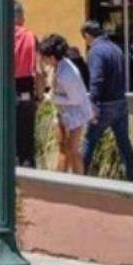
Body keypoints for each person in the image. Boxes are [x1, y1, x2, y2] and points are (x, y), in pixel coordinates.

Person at [0, 6, 39, 166]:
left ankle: (1, 188)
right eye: (23, 17)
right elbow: (38, 72)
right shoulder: (30, 37)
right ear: (17, 17)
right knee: (26, 149)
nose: (24, 21)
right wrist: (38, 96)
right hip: (24, 91)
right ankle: (28, 187)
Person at [83, 19, 133, 181]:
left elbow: (97, 79)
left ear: (87, 35)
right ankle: (132, 177)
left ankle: (79, 178)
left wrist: (93, 103)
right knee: (124, 143)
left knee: (89, 141)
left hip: (104, 104)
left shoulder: (96, 51)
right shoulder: (116, 48)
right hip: (120, 103)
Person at [42, 34, 91, 173]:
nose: (42, 60)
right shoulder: (59, 65)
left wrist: (52, 97)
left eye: (44, 57)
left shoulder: (67, 75)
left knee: (72, 150)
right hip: (62, 111)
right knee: (63, 147)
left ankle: (77, 182)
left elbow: (75, 99)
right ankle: (62, 181)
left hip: (76, 114)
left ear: (52, 57)